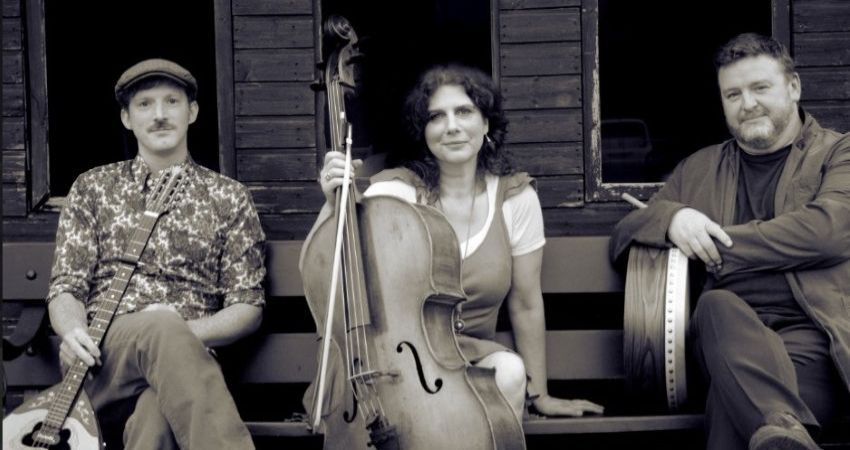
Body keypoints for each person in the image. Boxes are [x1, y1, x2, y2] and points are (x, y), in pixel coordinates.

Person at [307, 64, 604, 421]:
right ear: (424, 130)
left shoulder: (516, 199)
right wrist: (332, 204)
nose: (451, 126)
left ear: (486, 123)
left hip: (471, 358)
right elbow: (332, 267)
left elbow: (526, 302)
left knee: (509, 373)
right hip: (396, 363)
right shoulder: (396, 193)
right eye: (436, 116)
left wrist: (540, 394)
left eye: (464, 111)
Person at [609, 33, 850, 450]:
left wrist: (719, 247)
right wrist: (673, 219)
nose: (747, 103)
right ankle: (779, 424)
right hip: (720, 339)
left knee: (736, 407)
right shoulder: (699, 168)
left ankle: (778, 424)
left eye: (760, 88)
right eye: (733, 94)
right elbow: (624, 235)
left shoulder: (838, 153)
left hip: (814, 340)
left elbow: (828, 231)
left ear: (793, 87)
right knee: (716, 305)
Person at [47, 58, 266, 449]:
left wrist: (180, 334)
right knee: (161, 329)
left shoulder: (229, 197)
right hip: (102, 363)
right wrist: (73, 331)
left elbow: (247, 306)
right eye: (145, 104)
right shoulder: (93, 188)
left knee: (156, 418)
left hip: (186, 373)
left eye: (172, 101)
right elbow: (67, 286)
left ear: (192, 112)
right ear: (127, 118)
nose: (160, 114)